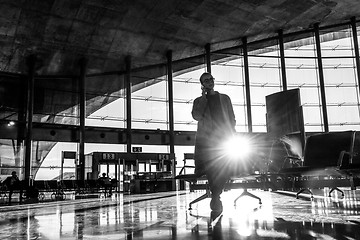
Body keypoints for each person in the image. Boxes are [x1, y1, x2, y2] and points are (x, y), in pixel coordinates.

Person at [192, 72, 236, 212]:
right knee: (212, 166)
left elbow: (232, 117)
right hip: (207, 141)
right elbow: (197, 116)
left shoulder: (225, 98)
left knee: (223, 165)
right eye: (206, 80)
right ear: (202, 84)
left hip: (223, 139)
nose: (210, 81)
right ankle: (216, 196)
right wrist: (204, 97)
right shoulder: (198, 101)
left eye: (211, 79)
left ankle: (216, 195)